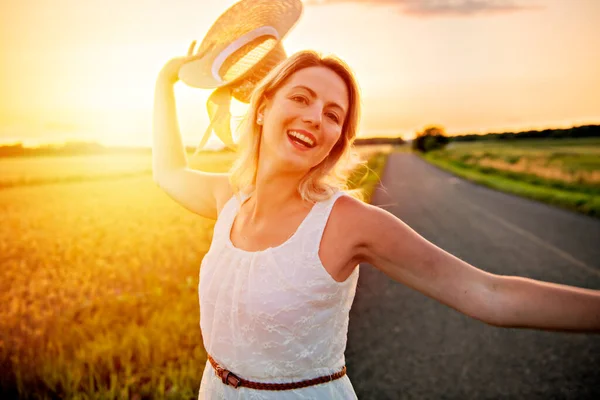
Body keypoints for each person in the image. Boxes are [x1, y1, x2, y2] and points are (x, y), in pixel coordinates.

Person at [152, 47, 600, 399]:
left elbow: (489, 295)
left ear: (335, 141)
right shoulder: (227, 198)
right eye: (301, 98)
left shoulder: (349, 222)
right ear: (264, 106)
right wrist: (165, 81)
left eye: (333, 115)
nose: (314, 117)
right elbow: (168, 172)